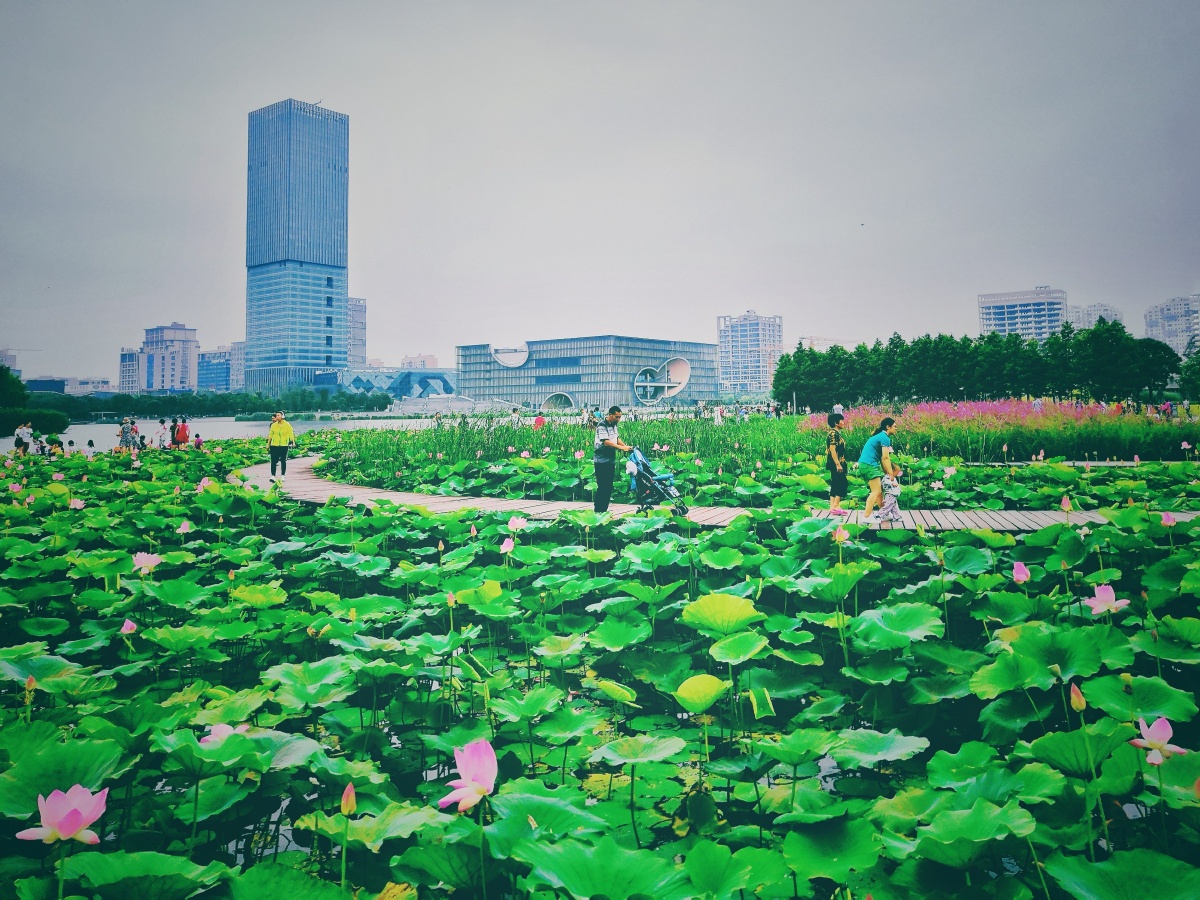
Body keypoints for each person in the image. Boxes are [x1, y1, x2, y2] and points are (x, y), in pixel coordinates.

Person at [592, 406, 632, 513]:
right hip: (601, 461)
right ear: (610, 415)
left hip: (610, 460)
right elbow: (606, 442)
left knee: (608, 487)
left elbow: (616, 438)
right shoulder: (602, 425)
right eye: (616, 417)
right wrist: (621, 448)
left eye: (619, 417)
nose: (618, 419)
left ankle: (604, 510)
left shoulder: (614, 425)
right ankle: (598, 511)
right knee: (602, 487)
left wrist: (626, 447)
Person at [859, 417, 898, 524]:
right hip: (869, 465)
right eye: (894, 426)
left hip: (866, 465)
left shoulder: (880, 436)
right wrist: (891, 474)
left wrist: (887, 472)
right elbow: (886, 458)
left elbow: (882, 459)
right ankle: (866, 517)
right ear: (888, 427)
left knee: (879, 492)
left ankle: (884, 513)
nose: (896, 428)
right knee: (876, 492)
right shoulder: (885, 437)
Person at [826, 413, 850, 516]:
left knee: (835, 483)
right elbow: (832, 449)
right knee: (843, 483)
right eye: (841, 420)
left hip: (838, 462)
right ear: (836, 423)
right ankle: (836, 505)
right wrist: (838, 464)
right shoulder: (833, 434)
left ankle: (833, 507)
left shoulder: (836, 433)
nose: (843, 422)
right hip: (836, 463)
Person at [268, 410, 296, 483]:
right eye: (276, 415)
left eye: (278, 415)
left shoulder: (287, 425)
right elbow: (270, 435)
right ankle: (273, 476)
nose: (277, 417)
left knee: (283, 460)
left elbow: (291, 434)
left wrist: (292, 442)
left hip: (284, 445)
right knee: (273, 461)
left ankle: (283, 475)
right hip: (274, 445)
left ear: (282, 416)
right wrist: (268, 444)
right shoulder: (274, 425)